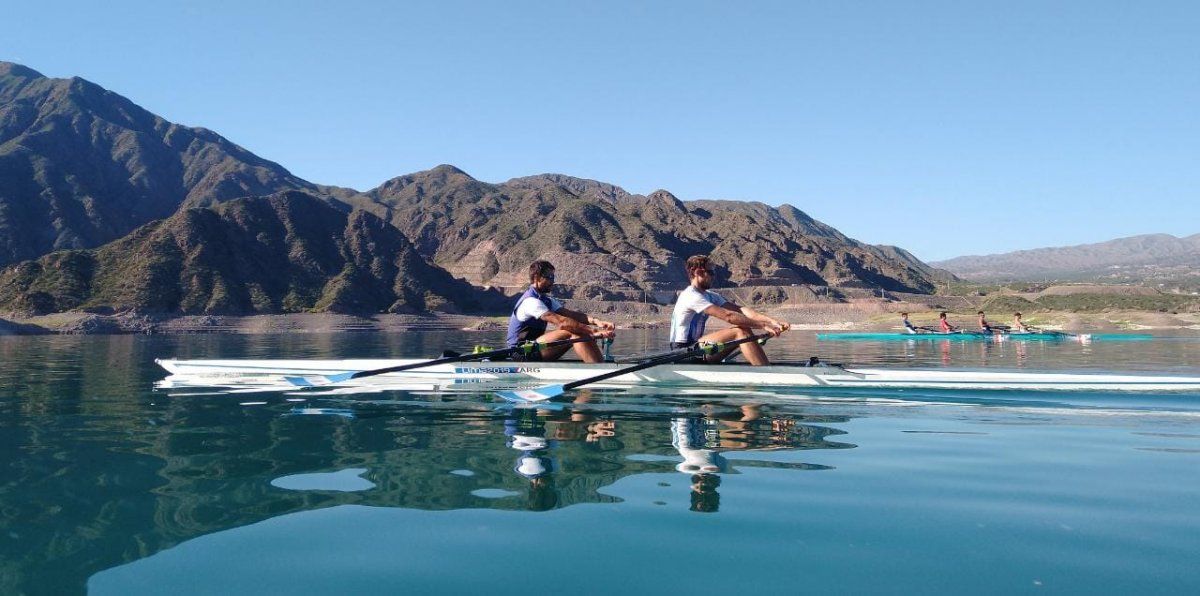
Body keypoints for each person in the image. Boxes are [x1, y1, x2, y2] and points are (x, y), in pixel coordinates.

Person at [669, 255, 789, 365]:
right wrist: (763, 325)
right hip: (682, 352)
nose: (713, 276)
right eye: (710, 272)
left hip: (696, 348)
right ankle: (765, 372)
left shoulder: (711, 296)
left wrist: (773, 322)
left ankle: (762, 366)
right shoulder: (691, 295)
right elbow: (729, 316)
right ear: (698, 272)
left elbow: (742, 311)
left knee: (743, 329)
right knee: (740, 332)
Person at [506, 260, 615, 362]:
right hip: (521, 353)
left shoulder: (547, 300)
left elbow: (571, 315)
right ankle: (598, 369)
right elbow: (562, 322)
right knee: (574, 332)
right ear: (536, 278)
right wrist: (594, 332)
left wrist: (596, 322)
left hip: (534, 348)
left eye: (553, 277)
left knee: (580, 331)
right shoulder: (530, 302)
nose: (552, 281)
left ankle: (598, 366)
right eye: (549, 277)